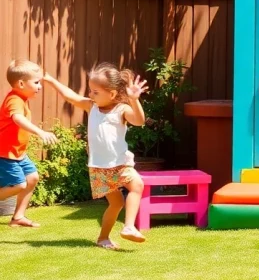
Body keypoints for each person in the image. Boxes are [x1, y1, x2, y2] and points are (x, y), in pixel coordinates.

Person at [43, 64, 149, 249]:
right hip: (99, 166)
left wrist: (134, 100)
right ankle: (116, 233)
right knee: (123, 197)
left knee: (128, 193)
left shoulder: (121, 110)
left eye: (95, 92)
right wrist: (51, 80)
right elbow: (71, 96)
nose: (90, 95)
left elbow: (139, 121)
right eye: (90, 91)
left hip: (119, 163)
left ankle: (117, 232)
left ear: (113, 94)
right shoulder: (91, 107)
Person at [0, 60, 57, 228]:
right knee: (19, 184)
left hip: (18, 154)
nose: (40, 86)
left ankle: (18, 217)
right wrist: (40, 132)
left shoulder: (22, 98)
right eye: (36, 82)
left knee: (32, 178)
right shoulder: (15, 100)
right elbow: (17, 119)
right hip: (6, 154)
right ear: (21, 83)